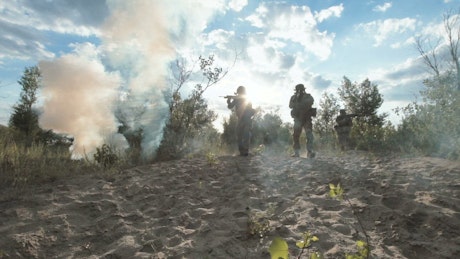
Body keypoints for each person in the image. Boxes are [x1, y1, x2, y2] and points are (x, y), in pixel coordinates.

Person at [227, 86, 255, 156]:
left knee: (246, 134)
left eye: (240, 92)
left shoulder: (247, 98)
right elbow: (230, 107)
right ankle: (242, 151)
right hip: (240, 119)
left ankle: (245, 151)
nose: (239, 94)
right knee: (239, 135)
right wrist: (229, 101)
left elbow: (249, 108)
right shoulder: (237, 99)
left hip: (247, 119)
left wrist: (235, 99)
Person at [289, 83, 316, 158]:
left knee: (309, 135)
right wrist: (297, 100)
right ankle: (296, 152)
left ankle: (310, 151)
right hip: (298, 119)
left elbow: (311, 101)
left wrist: (301, 102)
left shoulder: (308, 96)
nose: (299, 91)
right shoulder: (293, 97)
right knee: (296, 135)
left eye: (301, 89)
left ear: (304, 89)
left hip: (307, 118)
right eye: (298, 90)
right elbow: (290, 105)